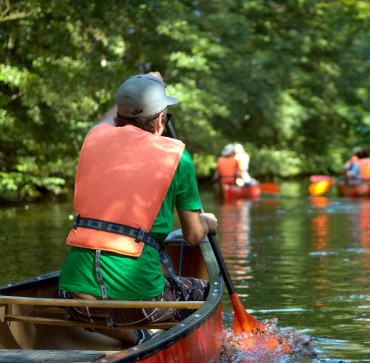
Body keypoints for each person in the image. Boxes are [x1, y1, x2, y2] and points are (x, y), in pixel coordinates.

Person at [58, 72, 218, 346]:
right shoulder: (178, 157)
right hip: (139, 304)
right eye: (166, 116)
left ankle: (135, 338)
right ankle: (146, 336)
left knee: (99, 293)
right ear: (159, 120)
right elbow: (192, 236)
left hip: (73, 300)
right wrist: (209, 222)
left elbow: (110, 117)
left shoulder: (94, 136)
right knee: (205, 292)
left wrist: (143, 83)